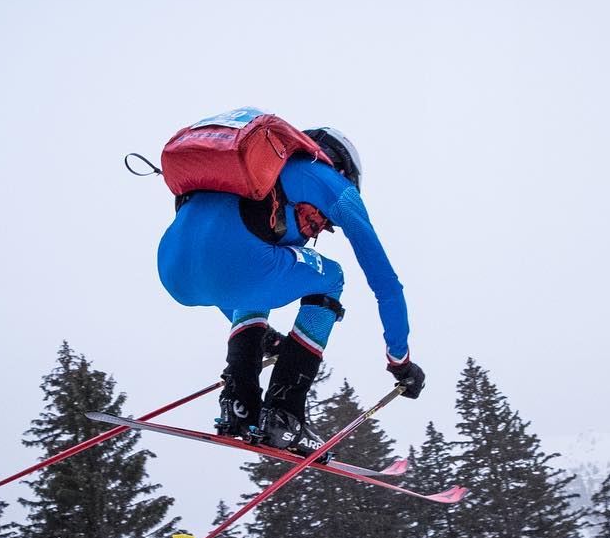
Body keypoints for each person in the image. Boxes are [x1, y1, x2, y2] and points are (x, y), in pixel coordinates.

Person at [155, 115, 425, 453]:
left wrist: (259, 339)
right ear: (345, 171)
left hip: (172, 274)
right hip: (241, 268)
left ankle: (239, 403)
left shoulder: (248, 176)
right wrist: (399, 359)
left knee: (264, 260)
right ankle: (285, 413)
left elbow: (217, 266)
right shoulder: (331, 182)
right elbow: (385, 282)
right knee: (332, 277)